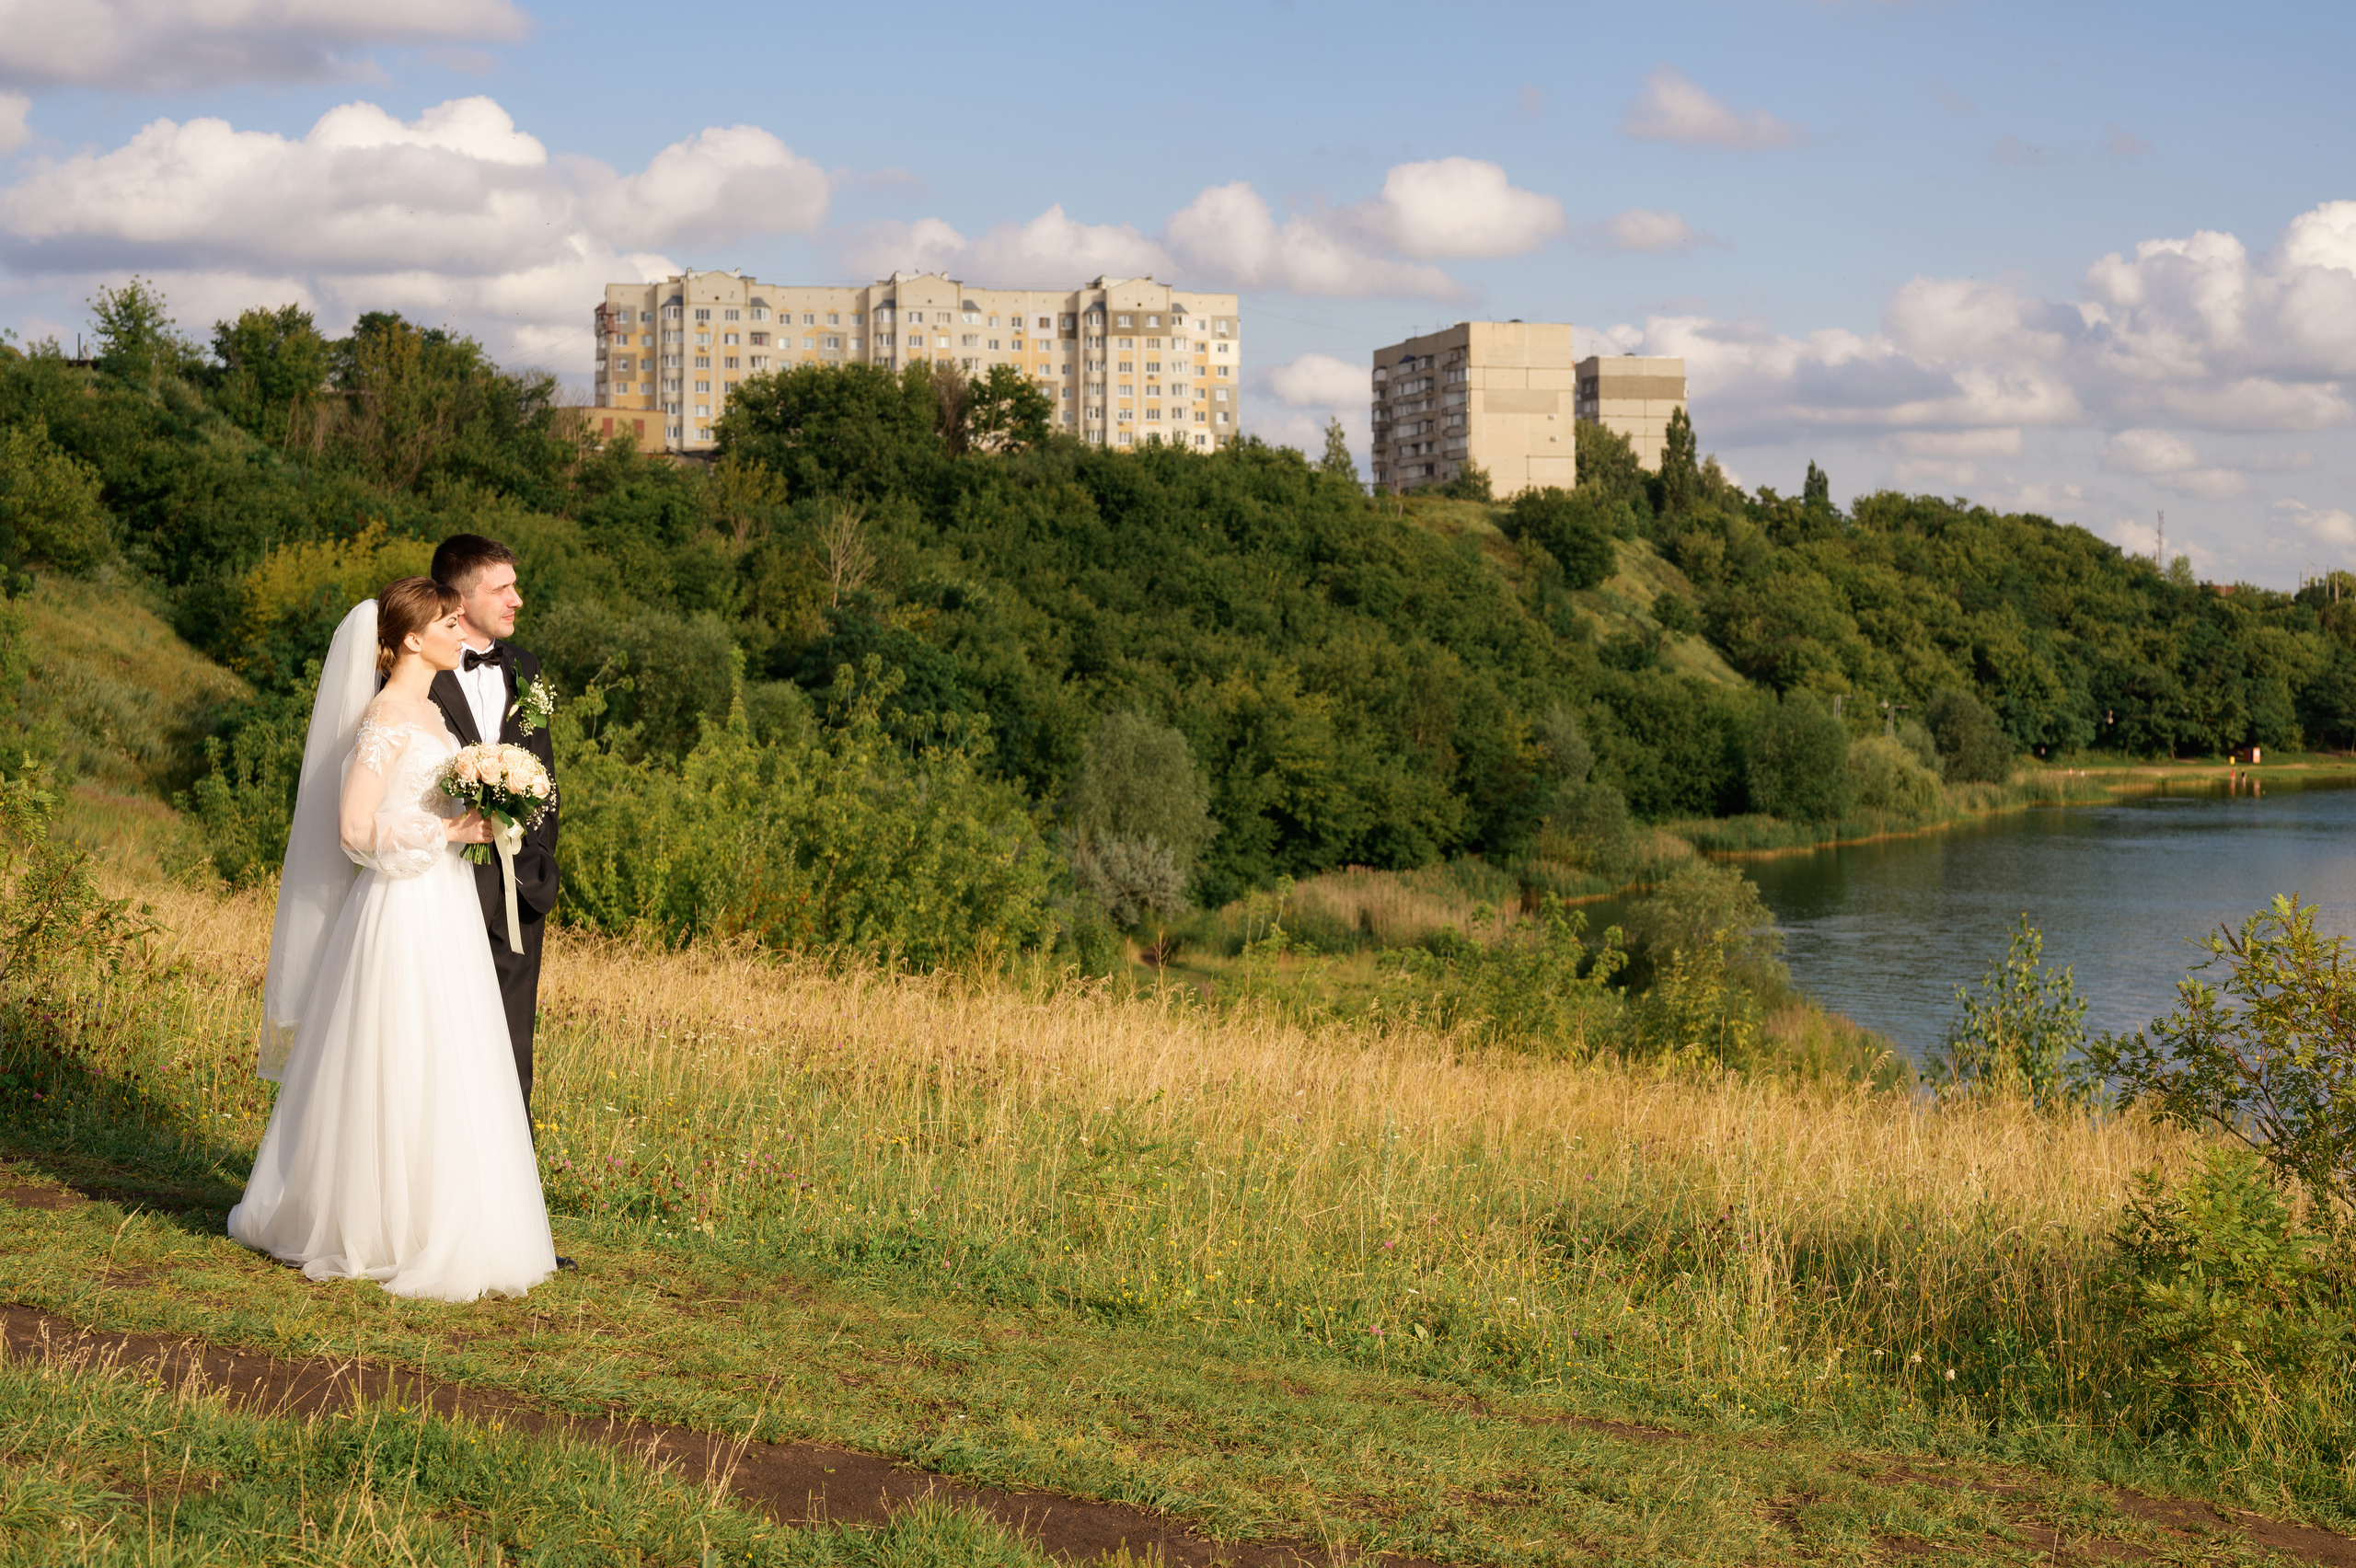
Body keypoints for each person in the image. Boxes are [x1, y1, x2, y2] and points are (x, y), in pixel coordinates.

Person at [230, 578, 558, 1301]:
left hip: (442, 905)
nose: (459, 630)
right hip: (398, 911)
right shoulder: (384, 719)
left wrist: (489, 808)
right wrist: (449, 830)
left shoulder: (434, 722)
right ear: (413, 638)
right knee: (395, 1052)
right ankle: (371, 1223)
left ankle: (437, 1215)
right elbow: (353, 829)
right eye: (448, 622)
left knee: (447, 1055)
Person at [425, 536, 560, 1124]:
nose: (517, 600)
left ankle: (512, 1193)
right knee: (437, 1030)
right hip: (439, 876)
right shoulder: (413, 665)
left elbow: (543, 770)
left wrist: (538, 855)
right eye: (501, 588)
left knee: (512, 1041)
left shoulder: (524, 666)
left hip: (517, 877)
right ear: (461, 597)